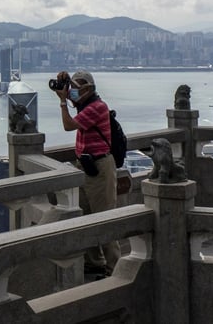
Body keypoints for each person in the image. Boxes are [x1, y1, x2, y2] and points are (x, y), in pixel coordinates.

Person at [54, 69, 120, 277]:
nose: (73, 91)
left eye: (77, 87)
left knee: (105, 219)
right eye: (72, 87)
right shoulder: (85, 105)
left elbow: (68, 125)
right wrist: (63, 87)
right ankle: (94, 263)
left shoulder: (98, 107)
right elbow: (75, 107)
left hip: (100, 168)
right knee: (86, 216)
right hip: (85, 166)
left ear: (89, 89)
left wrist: (63, 102)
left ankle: (115, 269)